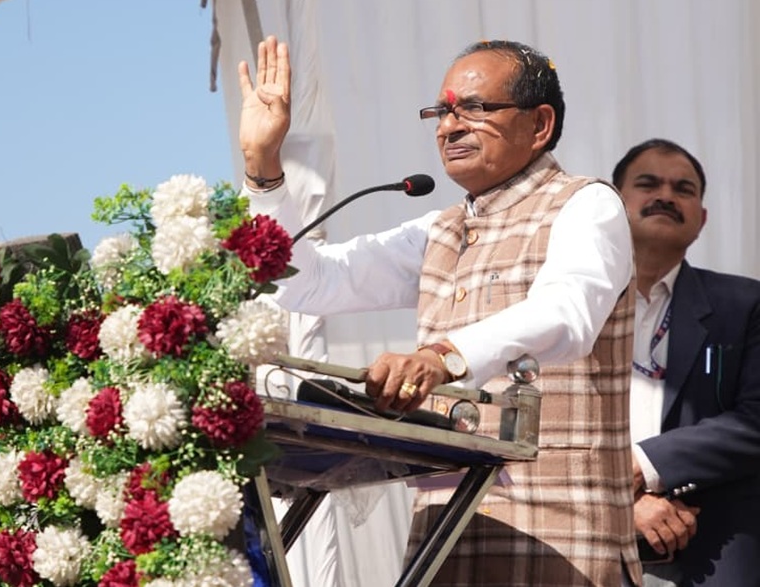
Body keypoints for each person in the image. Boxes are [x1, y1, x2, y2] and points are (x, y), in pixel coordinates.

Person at [238, 35, 641, 586]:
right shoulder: (439, 230)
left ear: (540, 124)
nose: (449, 127)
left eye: (473, 108)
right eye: (441, 112)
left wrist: (443, 357)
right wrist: (263, 167)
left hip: (561, 541)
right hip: (445, 539)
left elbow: (567, 313)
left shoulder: (586, 204)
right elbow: (309, 282)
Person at [612, 138, 760, 587]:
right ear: (612, 204)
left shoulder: (744, 303)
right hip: (583, 524)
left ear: (702, 219)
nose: (666, 196)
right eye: (648, 184)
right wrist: (620, 499)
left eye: (683, 189)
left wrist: (643, 466)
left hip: (712, 534)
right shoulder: (576, 306)